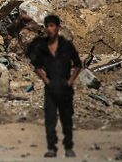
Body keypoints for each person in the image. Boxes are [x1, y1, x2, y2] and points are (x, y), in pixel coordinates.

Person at [28, 15, 82, 159]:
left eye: (52, 26)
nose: (49, 29)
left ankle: (69, 147)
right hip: (51, 87)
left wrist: (70, 81)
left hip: (65, 86)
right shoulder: (42, 47)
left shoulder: (66, 46)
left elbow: (78, 64)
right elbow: (37, 65)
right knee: (50, 118)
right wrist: (46, 80)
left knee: (66, 118)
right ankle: (52, 148)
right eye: (47, 26)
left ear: (58, 27)